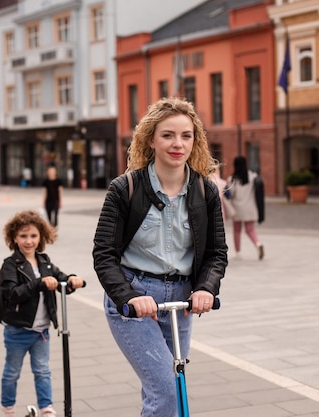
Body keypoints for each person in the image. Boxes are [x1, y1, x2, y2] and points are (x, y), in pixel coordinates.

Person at [92, 97, 228, 417]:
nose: (177, 144)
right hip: (134, 300)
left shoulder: (205, 191)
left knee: (171, 392)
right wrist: (128, 296)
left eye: (186, 135)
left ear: (195, 140)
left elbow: (215, 253)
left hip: (181, 301)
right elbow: (104, 254)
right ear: (151, 139)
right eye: (167, 135)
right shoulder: (125, 189)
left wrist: (206, 288)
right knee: (166, 390)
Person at [0, 210, 84, 417]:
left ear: (41, 237)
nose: (29, 241)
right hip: (18, 330)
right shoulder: (10, 265)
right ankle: (8, 409)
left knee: (43, 371)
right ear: (14, 238)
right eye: (23, 236)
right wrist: (39, 283)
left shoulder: (45, 262)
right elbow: (11, 294)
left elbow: (61, 279)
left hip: (41, 332)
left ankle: (46, 409)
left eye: (33, 236)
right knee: (11, 373)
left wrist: (71, 281)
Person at [226, 156, 264, 260]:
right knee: (250, 229)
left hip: (237, 208)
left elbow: (231, 194)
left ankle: (238, 253)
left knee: (237, 230)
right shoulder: (252, 176)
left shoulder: (232, 179)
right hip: (250, 207)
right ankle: (258, 243)